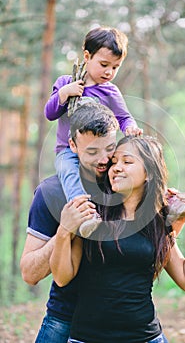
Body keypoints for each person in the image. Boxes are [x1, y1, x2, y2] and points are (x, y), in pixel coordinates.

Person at [50, 135, 185, 343]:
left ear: (148, 172)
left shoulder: (157, 221)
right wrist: (63, 231)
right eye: (114, 162)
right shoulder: (91, 214)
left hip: (146, 338)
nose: (116, 168)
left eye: (127, 162)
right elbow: (61, 277)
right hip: (88, 338)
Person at [20, 102, 120, 343]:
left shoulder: (126, 185)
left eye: (109, 148)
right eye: (92, 152)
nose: (104, 159)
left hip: (124, 321)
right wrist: (65, 229)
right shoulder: (51, 193)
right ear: (72, 146)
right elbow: (29, 272)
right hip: (65, 319)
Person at [44, 26, 142, 204]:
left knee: (131, 168)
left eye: (115, 67)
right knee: (69, 172)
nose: (109, 72)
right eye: (104, 65)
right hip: (68, 151)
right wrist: (64, 94)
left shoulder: (110, 91)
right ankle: (81, 207)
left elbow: (124, 117)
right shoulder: (67, 82)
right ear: (87, 56)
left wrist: (131, 128)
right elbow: (50, 114)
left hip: (102, 153)